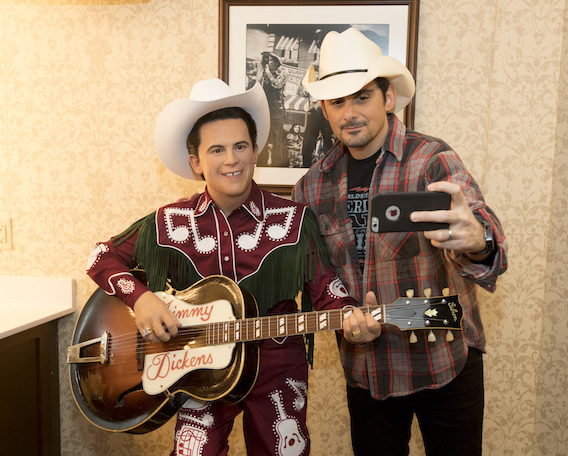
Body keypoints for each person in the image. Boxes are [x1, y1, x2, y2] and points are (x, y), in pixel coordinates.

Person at [85, 78, 377, 456]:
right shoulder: (168, 222)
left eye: (240, 146)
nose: (231, 159)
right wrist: (140, 299)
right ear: (196, 162)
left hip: (277, 371)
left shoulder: (293, 219)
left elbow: (325, 291)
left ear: (256, 150)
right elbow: (99, 257)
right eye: (217, 149)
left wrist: (352, 317)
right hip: (196, 370)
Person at [292, 28, 508, 456]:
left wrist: (478, 241)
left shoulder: (431, 159)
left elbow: (485, 236)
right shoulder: (311, 188)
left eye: (361, 97)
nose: (350, 113)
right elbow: (315, 281)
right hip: (367, 370)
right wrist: (339, 314)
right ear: (324, 110)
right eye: (337, 101)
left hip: (445, 361)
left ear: (388, 98)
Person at [256, 51, 287, 167]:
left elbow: (276, 84)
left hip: (276, 110)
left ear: (276, 62)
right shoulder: (264, 74)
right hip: (264, 109)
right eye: (266, 59)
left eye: (269, 60)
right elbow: (258, 85)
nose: (267, 62)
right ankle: (262, 165)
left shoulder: (282, 73)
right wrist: (261, 69)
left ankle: (277, 166)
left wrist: (268, 72)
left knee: (276, 139)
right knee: (263, 138)